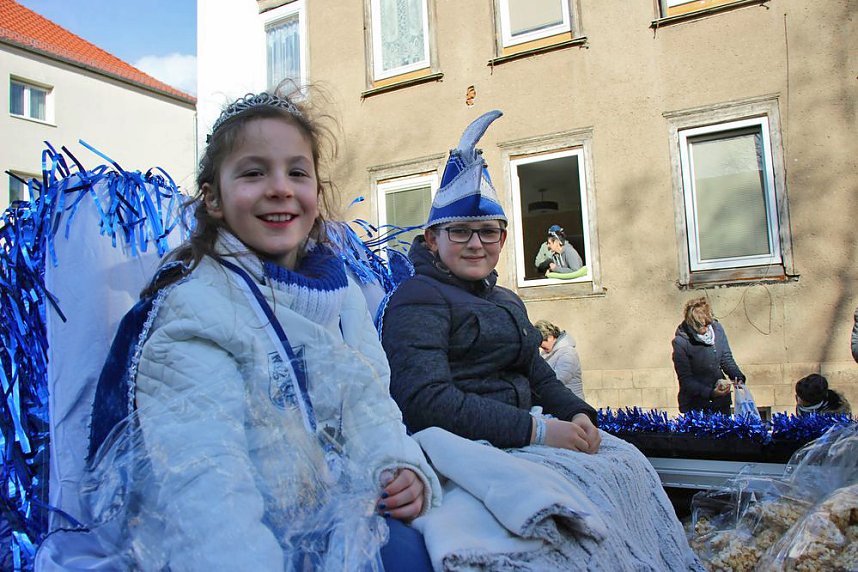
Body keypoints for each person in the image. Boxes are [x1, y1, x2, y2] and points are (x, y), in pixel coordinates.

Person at [83, 89, 441, 570]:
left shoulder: (342, 297)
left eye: (297, 172)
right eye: (254, 173)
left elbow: (369, 402)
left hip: (345, 519)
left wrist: (399, 468)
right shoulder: (196, 312)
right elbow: (204, 487)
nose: (280, 188)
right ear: (213, 198)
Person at [381, 111, 702, 569]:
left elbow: (537, 373)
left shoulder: (508, 299)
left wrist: (578, 413)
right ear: (433, 239)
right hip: (466, 447)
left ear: (503, 237)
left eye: (488, 231)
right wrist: (541, 431)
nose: (476, 243)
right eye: (460, 231)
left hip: (524, 435)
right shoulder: (419, 297)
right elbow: (424, 400)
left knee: (626, 463)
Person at [672, 296, 746, 414]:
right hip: (695, 405)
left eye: (707, 324)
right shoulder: (680, 342)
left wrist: (738, 377)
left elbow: (726, 358)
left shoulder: (717, 329)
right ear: (692, 324)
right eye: (702, 326)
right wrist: (711, 393)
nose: (706, 329)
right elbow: (686, 379)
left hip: (721, 403)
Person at [534, 319, 584, 400]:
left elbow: (559, 379)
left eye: (541, 342)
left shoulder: (568, 353)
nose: (540, 346)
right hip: (558, 400)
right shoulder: (546, 352)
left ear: (550, 337)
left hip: (571, 403)